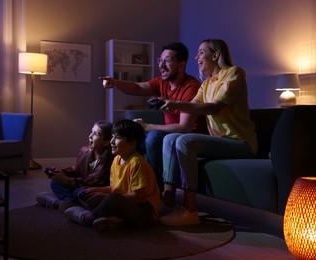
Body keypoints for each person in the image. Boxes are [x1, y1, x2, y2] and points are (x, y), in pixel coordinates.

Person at [158, 39, 258, 226]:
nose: (196, 57)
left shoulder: (234, 73)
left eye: (201, 52)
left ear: (216, 55)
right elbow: (193, 106)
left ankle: (189, 211)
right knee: (170, 138)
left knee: (185, 142)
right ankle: (168, 200)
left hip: (240, 143)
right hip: (221, 142)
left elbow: (214, 107)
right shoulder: (206, 84)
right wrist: (167, 102)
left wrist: (177, 104)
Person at [100, 42, 207, 192]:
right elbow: (137, 87)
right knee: (123, 139)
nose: (161, 65)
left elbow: (184, 127)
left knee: (154, 137)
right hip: (170, 136)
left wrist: (147, 126)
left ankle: (155, 190)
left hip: (188, 138)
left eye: (167, 61)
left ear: (181, 65)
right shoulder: (162, 82)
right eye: (160, 60)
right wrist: (116, 82)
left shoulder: (192, 87)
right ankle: (111, 183)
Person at [63, 119, 161, 232]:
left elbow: (137, 197)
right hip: (126, 204)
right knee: (90, 192)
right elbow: (115, 188)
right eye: (112, 136)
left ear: (132, 143)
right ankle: (115, 221)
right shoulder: (117, 160)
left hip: (145, 212)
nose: (112, 141)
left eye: (117, 138)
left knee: (113, 199)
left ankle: (88, 218)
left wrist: (106, 197)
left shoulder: (136, 163)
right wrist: (95, 190)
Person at [36, 121, 114, 210]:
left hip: (91, 189)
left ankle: (63, 203)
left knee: (82, 193)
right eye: (91, 132)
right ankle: (71, 203)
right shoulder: (84, 151)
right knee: (55, 183)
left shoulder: (110, 159)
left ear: (106, 142)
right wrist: (62, 173)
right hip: (79, 185)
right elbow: (76, 169)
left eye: (95, 134)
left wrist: (68, 181)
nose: (90, 136)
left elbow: (95, 181)